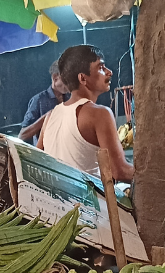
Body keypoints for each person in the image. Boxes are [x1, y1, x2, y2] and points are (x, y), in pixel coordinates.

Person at [38, 45, 134, 181]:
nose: (109, 72)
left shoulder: (50, 116)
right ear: (83, 78)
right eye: (101, 67)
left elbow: (38, 162)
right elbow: (120, 171)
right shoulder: (100, 114)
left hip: (55, 194)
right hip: (88, 195)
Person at [19, 63, 69, 143]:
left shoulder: (71, 98)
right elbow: (22, 135)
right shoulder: (38, 100)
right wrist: (46, 118)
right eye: (67, 80)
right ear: (55, 78)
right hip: (44, 150)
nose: (71, 84)